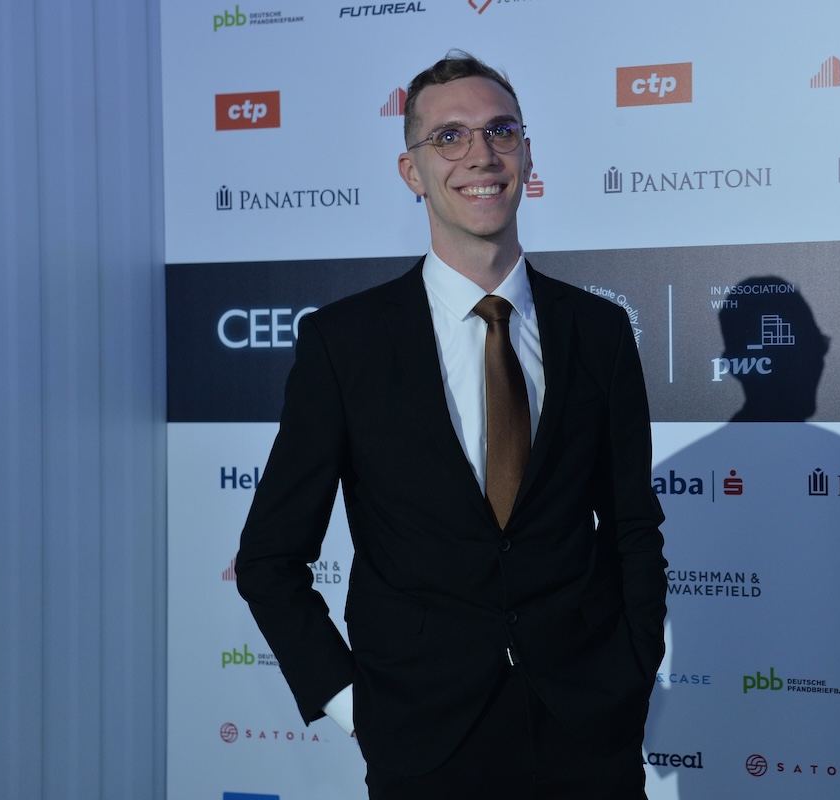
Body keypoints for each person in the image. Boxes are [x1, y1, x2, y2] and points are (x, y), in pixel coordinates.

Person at [235, 51, 668, 799]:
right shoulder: (345, 343)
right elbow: (269, 560)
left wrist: (633, 669)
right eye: (449, 137)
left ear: (527, 154)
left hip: (588, 725)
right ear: (412, 171)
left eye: (501, 131)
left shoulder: (598, 330)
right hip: (423, 738)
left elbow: (633, 524)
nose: (480, 155)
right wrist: (354, 706)